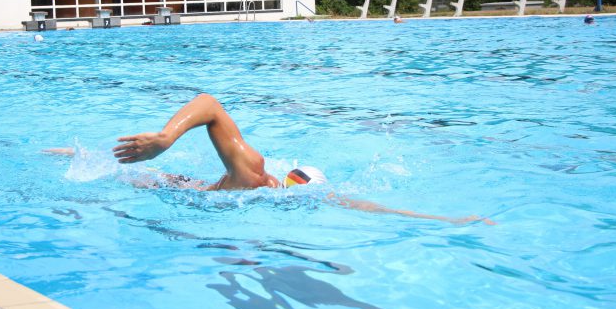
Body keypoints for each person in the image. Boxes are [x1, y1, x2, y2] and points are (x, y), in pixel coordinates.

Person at [109, 94, 495, 224]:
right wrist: (165, 137)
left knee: (159, 177)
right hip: (192, 192)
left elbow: (358, 204)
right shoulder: (255, 175)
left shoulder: (273, 187)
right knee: (149, 177)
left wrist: (440, 219)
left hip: (199, 192)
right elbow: (209, 104)